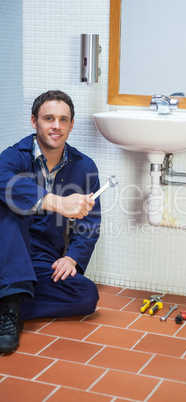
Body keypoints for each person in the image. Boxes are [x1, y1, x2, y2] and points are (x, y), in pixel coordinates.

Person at [0, 90, 101, 353]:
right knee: (11, 204)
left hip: (43, 257)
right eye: (49, 118)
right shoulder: (13, 156)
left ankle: (9, 302)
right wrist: (55, 201)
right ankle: (9, 314)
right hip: (8, 249)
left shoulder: (84, 166)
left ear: (71, 124)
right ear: (34, 122)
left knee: (86, 296)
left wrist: (73, 259)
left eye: (63, 119)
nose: (56, 126)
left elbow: (89, 224)